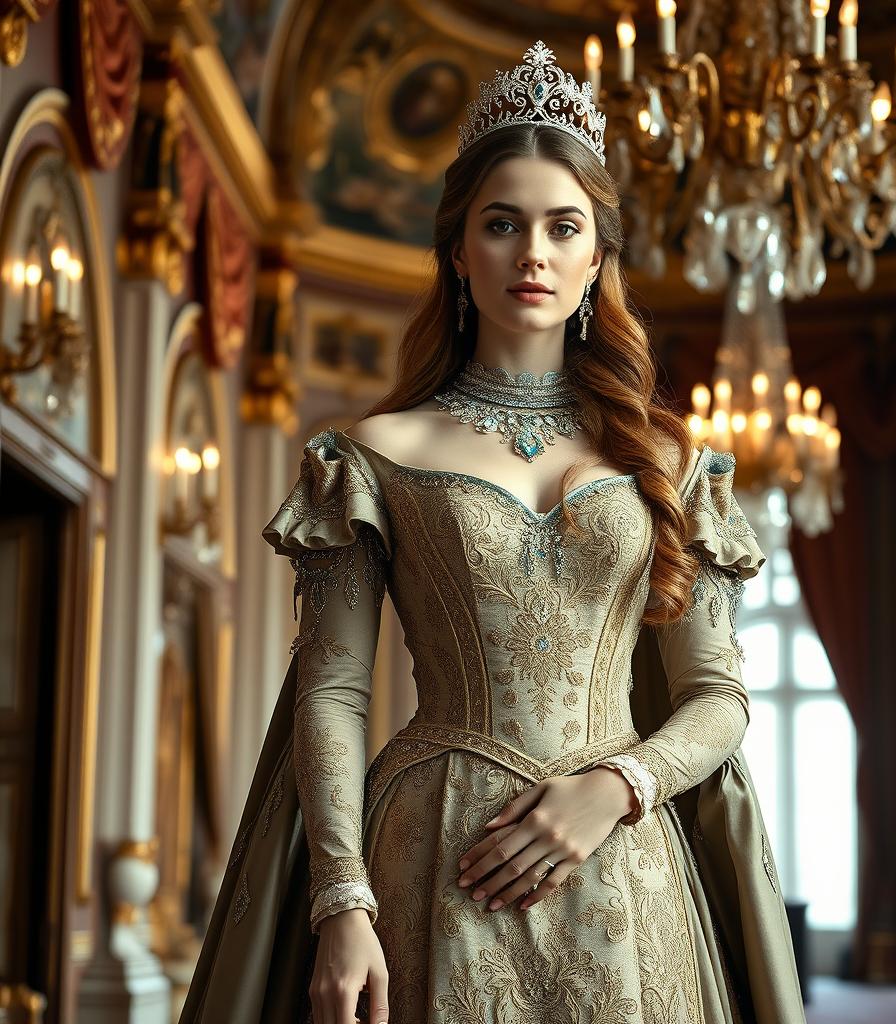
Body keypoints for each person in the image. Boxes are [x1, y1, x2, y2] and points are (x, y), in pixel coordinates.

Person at [180, 40, 805, 1024]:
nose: (533, 253)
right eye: (502, 223)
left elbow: (717, 696)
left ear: (596, 257)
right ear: (459, 249)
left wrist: (617, 785)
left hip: (623, 867)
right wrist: (342, 898)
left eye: (563, 227)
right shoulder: (372, 452)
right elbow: (333, 686)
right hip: (433, 858)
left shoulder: (669, 461)